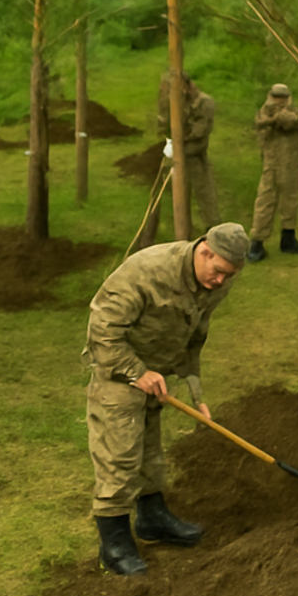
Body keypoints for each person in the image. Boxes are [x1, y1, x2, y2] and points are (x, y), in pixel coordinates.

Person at [82, 222, 250, 576]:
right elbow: (102, 332)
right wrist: (136, 372)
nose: (222, 281)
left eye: (230, 275)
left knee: (150, 451)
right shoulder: (147, 272)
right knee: (119, 455)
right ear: (204, 250)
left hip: (155, 373)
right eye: (219, 271)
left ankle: (152, 518)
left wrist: (194, 388)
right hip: (118, 369)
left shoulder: (216, 280)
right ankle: (113, 544)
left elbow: (196, 331)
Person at [136, 70, 220, 251]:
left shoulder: (204, 102)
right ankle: (146, 238)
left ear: (185, 85)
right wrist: (166, 105)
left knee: (205, 196)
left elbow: (198, 132)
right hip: (174, 153)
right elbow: (163, 126)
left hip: (195, 155)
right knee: (158, 195)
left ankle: (214, 238)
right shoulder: (173, 101)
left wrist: (179, 136)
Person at [247, 83, 298, 262]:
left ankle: (288, 238)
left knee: (290, 201)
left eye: (283, 97)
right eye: (276, 97)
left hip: (291, 165)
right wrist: (281, 117)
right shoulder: (265, 112)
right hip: (271, 165)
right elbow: (271, 125)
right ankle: (257, 243)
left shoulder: (295, 112)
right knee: (265, 202)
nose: (280, 101)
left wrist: (294, 119)